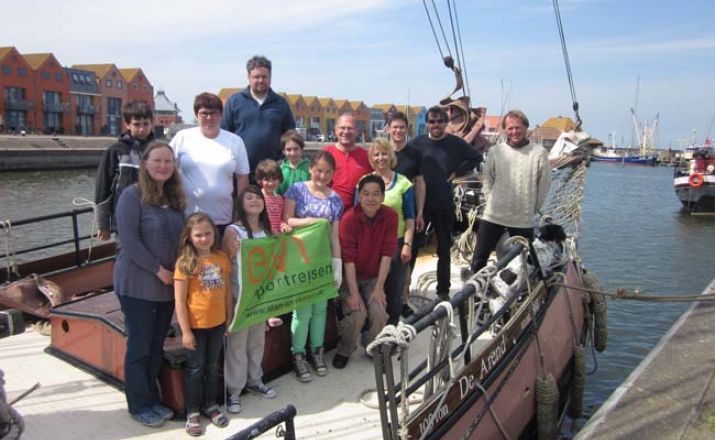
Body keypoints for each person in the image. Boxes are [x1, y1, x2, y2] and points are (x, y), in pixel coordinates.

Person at [113, 141, 185, 427]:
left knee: (156, 346)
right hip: (137, 285)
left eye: (168, 161)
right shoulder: (132, 196)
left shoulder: (175, 199)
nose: (163, 166)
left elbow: (181, 239)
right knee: (140, 346)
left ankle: (153, 399)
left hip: (165, 288)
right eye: (157, 160)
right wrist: (159, 270)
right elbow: (129, 242)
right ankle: (139, 404)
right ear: (145, 163)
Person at [407, 106, 482, 299]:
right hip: (420, 206)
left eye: (440, 121)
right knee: (412, 248)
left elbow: (476, 157)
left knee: (443, 250)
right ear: (427, 123)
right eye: (432, 121)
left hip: (443, 203)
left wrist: (458, 172)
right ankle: (403, 291)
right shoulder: (417, 144)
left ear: (446, 123)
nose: (436, 125)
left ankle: (443, 291)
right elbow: (404, 162)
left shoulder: (455, 143)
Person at [284, 151, 343, 382]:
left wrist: (336, 265)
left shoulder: (336, 199)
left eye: (328, 172)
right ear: (311, 168)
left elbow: (335, 237)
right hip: (299, 260)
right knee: (302, 310)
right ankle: (297, 355)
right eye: (319, 170)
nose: (323, 175)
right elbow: (287, 219)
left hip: (322, 260)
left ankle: (317, 351)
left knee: (320, 309)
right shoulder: (296, 189)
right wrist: (311, 221)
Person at [469, 110, 551, 273]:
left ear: (525, 128)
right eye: (510, 128)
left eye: (518, 128)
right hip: (494, 215)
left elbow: (544, 185)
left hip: (522, 218)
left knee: (525, 262)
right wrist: (492, 200)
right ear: (505, 130)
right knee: (478, 259)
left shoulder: (538, 153)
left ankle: (522, 294)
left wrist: (532, 208)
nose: (514, 132)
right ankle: (476, 295)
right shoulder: (496, 152)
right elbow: (487, 180)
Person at [221, 186, 278, 415]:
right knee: (237, 345)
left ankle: (255, 380)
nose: (255, 201)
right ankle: (234, 391)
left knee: (257, 342)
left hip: (261, 298)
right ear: (240, 203)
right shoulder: (233, 231)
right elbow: (225, 265)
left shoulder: (267, 230)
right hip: (239, 298)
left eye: (258, 197)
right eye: (249, 197)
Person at [174, 213, 232, 436]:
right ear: (189, 237)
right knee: (195, 369)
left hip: (217, 324)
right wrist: (186, 331)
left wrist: (227, 318)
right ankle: (193, 411)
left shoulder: (221, 259)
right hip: (196, 326)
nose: (204, 238)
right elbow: (179, 300)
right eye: (198, 235)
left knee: (211, 365)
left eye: (208, 233)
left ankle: (211, 405)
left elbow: (226, 291)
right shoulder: (185, 264)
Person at [334, 174, 397, 369]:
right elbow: (349, 260)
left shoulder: (391, 217)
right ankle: (345, 349)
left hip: (373, 276)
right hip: (350, 275)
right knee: (358, 314)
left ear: (383, 197)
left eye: (376, 194)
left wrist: (379, 288)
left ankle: (372, 346)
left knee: (378, 311)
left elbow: (387, 255)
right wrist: (353, 293)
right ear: (359, 196)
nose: (371, 199)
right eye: (366, 194)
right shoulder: (348, 219)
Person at [171, 92, 250, 237]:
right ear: (196, 115)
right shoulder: (182, 137)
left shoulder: (235, 141)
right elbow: (168, 170)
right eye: (204, 113)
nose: (209, 118)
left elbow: (242, 178)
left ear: (221, 115)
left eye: (214, 113)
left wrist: (240, 211)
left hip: (222, 217)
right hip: (188, 217)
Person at [366, 139, 415, 325]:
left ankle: (392, 328)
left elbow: (410, 217)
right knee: (371, 288)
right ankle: (371, 329)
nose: (381, 158)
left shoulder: (403, 183)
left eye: (384, 153)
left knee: (394, 289)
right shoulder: (364, 181)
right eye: (376, 154)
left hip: (396, 243)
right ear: (371, 158)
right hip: (371, 245)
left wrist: (408, 245)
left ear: (391, 156)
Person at [221, 55, 296, 175]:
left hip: (272, 173)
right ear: (249, 77)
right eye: (256, 77)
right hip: (241, 172)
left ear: (270, 77)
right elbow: (224, 134)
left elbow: (290, 135)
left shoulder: (281, 103)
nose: (260, 80)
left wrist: (283, 159)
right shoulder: (234, 101)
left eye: (264, 77)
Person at [95, 102, 155, 240]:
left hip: (154, 218)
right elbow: (102, 189)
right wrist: (103, 224)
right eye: (137, 124)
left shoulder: (159, 150)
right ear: (128, 125)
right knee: (126, 257)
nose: (142, 129)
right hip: (124, 219)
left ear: (152, 123)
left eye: (146, 124)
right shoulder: (116, 151)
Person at [324, 113, 371, 210]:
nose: (346, 131)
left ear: (357, 131)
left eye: (350, 128)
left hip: (358, 215)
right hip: (329, 212)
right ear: (336, 130)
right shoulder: (325, 154)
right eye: (342, 128)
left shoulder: (367, 157)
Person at [388, 112, 425, 233]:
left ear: (406, 129)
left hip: (407, 209)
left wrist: (419, 213)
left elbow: (420, 184)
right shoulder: (381, 153)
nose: (398, 130)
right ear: (389, 129)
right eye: (395, 127)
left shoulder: (416, 154)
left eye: (402, 127)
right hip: (385, 208)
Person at [255, 159, 291, 235]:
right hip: (261, 236)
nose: (270, 183)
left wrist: (283, 226)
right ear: (260, 180)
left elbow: (280, 219)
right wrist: (269, 229)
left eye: (274, 179)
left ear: (279, 180)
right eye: (267, 180)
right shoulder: (257, 197)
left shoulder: (280, 199)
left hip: (275, 239)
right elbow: (255, 219)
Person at [277, 130, 310, 195]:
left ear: (302, 150)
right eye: (289, 149)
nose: (293, 153)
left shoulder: (311, 167)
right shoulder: (280, 170)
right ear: (283, 151)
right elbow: (277, 192)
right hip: (285, 204)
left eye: (296, 149)